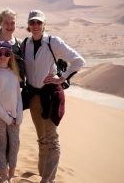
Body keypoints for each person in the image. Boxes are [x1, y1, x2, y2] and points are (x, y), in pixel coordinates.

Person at [21, 10, 85, 183]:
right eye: (32, 23)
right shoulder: (25, 43)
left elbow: (78, 61)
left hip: (50, 97)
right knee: (42, 138)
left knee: (51, 138)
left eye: (39, 23)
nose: (35, 26)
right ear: (28, 25)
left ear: (44, 24)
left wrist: (61, 78)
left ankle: (48, 180)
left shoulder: (53, 42)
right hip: (34, 96)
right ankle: (42, 172)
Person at [0, 8, 24, 171]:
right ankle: (1, 169)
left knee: (14, 137)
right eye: (6, 22)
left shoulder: (19, 44)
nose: (9, 26)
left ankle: (10, 169)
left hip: (15, 95)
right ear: (0, 23)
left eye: (12, 23)